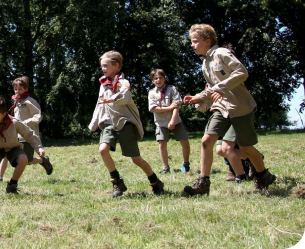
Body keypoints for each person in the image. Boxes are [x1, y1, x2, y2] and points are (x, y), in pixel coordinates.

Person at [183, 24, 276, 195]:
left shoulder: (222, 54)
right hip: (221, 108)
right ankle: (203, 183)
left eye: (195, 41)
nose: (192, 45)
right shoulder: (205, 64)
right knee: (206, 141)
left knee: (247, 148)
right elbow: (212, 88)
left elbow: (242, 72)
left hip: (240, 108)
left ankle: (264, 176)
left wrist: (221, 89)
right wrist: (200, 97)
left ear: (207, 41)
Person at [88, 51, 164, 197]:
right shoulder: (103, 84)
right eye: (102, 66)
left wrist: (112, 99)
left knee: (136, 159)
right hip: (109, 124)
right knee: (103, 150)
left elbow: (125, 97)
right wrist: (94, 123)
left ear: (116, 65)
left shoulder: (123, 83)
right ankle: (117, 182)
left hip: (124, 124)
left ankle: (155, 181)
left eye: (106, 66)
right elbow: (100, 105)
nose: (103, 69)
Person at [0, 97, 49, 195]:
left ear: (4, 114)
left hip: (13, 148)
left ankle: (12, 185)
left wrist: (38, 147)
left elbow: (29, 134)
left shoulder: (14, 122)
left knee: (24, 159)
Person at [0, 76, 52, 181]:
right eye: (15, 89)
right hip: (15, 134)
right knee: (6, 153)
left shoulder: (29, 101)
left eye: (20, 89)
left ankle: (43, 161)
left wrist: (24, 123)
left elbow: (37, 116)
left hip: (27, 136)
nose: (17, 91)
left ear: (26, 89)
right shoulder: (17, 101)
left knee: (28, 160)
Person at [147, 69, 191, 174]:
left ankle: (186, 163)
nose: (158, 80)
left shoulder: (172, 89)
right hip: (160, 122)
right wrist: (169, 107)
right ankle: (165, 167)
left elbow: (176, 106)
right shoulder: (151, 93)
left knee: (184, 142)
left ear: (164, 78)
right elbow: (153, 109)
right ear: (152, 81)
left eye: (160, 78)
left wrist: (172, 120)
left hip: (175, 121)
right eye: (155, 78)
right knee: (162, 144)